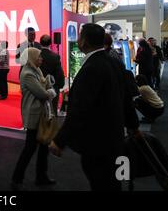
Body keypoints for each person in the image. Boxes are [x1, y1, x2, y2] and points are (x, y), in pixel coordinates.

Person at [49, 24, 139, 191]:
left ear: (84, 41)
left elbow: (79, 109)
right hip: (116, 138)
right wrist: (133, 125)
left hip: (98, 144)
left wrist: (60, 140)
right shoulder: (114, 63)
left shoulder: (91, 68)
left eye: (79, 36)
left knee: (101, 183)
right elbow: (126, 98)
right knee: (113, 183)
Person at [11, 47, 57, 190]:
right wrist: (50, 90)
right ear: (32, 58)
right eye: (39, 57)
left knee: (43, 147)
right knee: (29, 149)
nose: (41, 59)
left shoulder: (36, 70)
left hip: (41, 113)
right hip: (34, 115)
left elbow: (44, 86)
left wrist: (47, 85)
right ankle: (16, 179)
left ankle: (41, 176)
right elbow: (43, 93)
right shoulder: (27, 74)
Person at [39, 35, 64, 112]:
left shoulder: (36, 55)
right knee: (52, 112)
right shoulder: (55, 57)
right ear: (50, 43)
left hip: (38, 87)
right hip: (52, 88)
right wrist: (60, 85)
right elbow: (59, 73)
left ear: (40, 43)